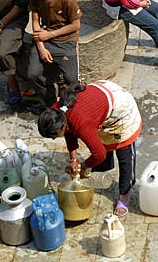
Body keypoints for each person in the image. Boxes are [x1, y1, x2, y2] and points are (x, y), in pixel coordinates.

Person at [37, 81, 141, 217]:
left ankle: (124, 194)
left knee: (124, 154)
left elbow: (100, 154)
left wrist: (84, 165)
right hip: (100, 98)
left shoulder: (82, 123)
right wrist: (73, 159)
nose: (54, 139)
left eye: (54, 136)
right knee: (100, 139)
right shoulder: (56, 112)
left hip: (121, 107)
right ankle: (103, 170)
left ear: (61, 127)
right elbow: (69, 133)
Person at [22, 0, 82, 109]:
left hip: (65, 41)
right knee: (33, 74)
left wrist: (50, 34)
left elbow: (75, 25)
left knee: (72, 80)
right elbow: (35, 22)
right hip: (45, 39)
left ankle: (72, 107)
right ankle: (50, 102)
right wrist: (41, 47)